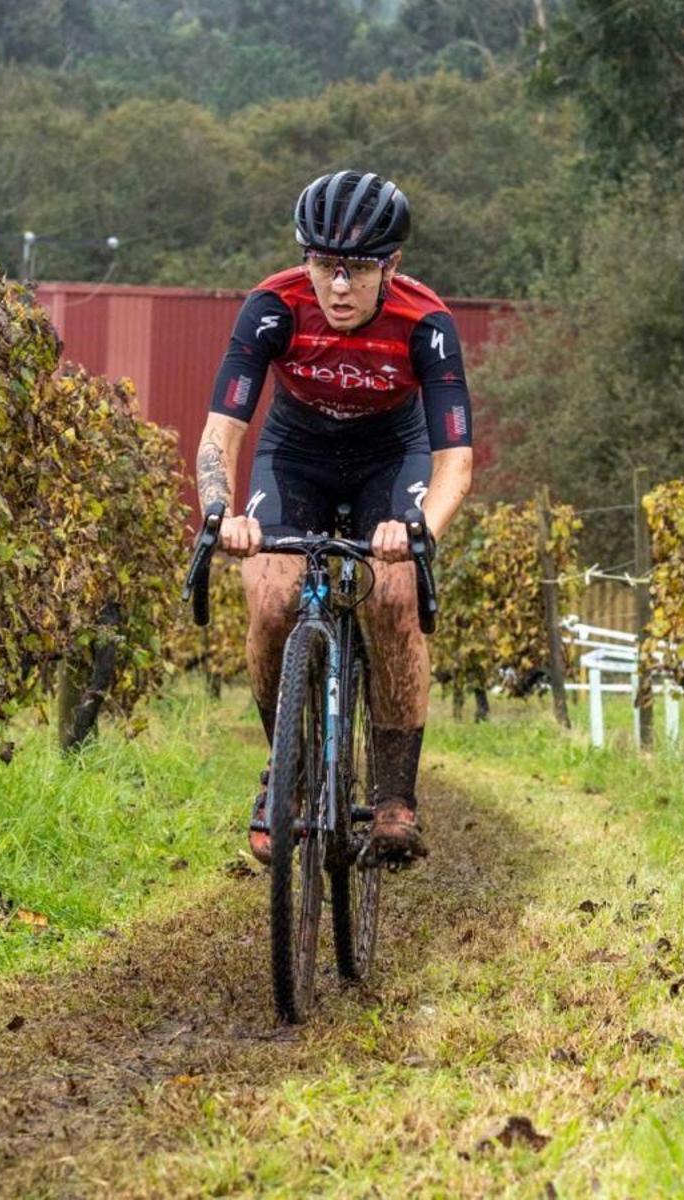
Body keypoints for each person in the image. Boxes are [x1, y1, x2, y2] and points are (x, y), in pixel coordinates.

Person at [195, 170, 474, 863]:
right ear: (306, 260)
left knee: (393, 595)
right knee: (271, 597)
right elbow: (221, 433)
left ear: (391, 266)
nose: (339, 286)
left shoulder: (427, 323)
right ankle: (285, 772)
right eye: (324, 265)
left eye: (358, 269)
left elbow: (456, 462)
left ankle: (395, 796)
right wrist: (220, 510)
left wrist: (420, 531)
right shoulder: (272, 307)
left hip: (392, 453)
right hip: (296, 453)